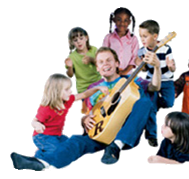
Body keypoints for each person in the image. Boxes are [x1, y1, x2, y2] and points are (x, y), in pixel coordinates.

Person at [10, 47, 161, 170]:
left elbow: (154, 86)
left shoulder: (131, 79)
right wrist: (85, 119)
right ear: (97, 68)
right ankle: (40, 163)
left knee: (146, 102)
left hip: (125, 133)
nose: (105, 64)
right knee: (77, 141)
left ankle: (117, 145)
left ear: (117, 63)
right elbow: (93, 113)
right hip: (101, 132)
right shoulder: (94, 89)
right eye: (101, 62)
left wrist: (157, 67)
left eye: (109, 60)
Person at [23, 73, 109, 161]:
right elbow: (34, 121)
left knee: (69, 147)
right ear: (57, 91)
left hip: (57, 136)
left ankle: (45, 149)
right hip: (42, 136)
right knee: (57, 151)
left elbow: (84, 95)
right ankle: (37, 155)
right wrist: (37, 125)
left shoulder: (67, 101)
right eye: (67, 89)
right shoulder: (46, 109)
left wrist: (98, 88)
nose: (70, 91)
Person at [136, 20, 176, 146]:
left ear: (155, 36)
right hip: (151, 81)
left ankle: (153, 105)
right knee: (151, 107)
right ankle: (152, 135)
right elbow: (144, 69)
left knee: (169, 103)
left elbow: (173, 67)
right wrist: (140, 65)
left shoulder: (166, 48)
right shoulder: (142, 51)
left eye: (145, 36)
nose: (142, 39)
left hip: (167, 81)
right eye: (140, 36)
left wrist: (171, 66)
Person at [65, 27, 101, 112]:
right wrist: (70, 67)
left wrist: (91, 59)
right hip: (84, 88)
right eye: (75, 40)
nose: (79, 42)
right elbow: (70, 75)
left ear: (86, 38)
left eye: (81, 38)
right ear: (72, 42)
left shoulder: (94, 49)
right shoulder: (72, 57)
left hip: (98, 83)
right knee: (91, 111)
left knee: (103, 105)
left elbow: (100, 64)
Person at [102, 7, 139, 75]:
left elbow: (134, 57)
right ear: (114, 20)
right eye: (119, 19)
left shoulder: (133, 39)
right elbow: (104, 55)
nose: (122, 23)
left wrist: (125, 71)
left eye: (125, 20)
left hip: (128, 74)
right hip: (111, 73)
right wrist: (113, 69)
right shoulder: (108, 38)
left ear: (129, 22)